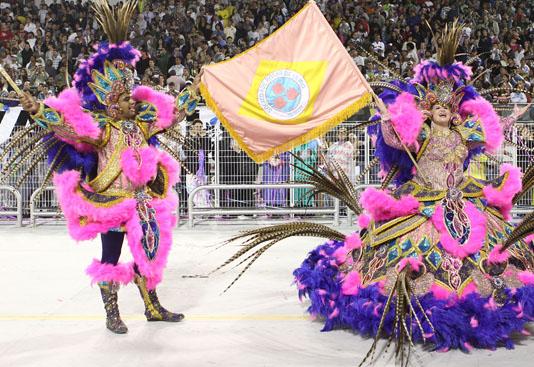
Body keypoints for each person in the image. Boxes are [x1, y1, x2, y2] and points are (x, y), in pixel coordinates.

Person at [219, 23, 534, 363]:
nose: (444, 109)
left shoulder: (464, 134)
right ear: (427, 108)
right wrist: (387, 115)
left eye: (450, 105)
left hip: (465, 202)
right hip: (422, 203)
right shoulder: (421, 135)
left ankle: (485, 301)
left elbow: (491, 131)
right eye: (437, 104)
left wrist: (509, 118)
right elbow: (395, 138)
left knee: (500, 257)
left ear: (457, 109)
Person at [15, 0, 201, 334]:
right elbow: (68, 128)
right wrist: (38, 110)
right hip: (112, 204)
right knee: (110, 258)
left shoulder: (141, 126)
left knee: (148, 255)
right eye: (128, 99)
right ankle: (112, 314)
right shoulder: (104, 129)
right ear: (115, 106)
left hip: (142, 202)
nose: (134, 101)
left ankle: (152, 308)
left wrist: (194, 91)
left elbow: (173, 115)